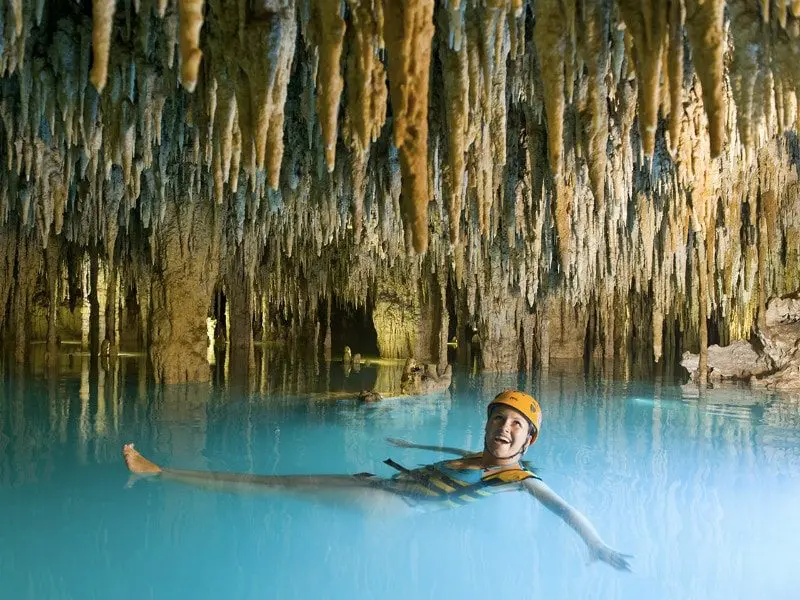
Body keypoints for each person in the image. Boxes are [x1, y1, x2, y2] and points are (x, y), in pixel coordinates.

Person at [122, 390, 631, 571]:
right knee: (277, 482)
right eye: (499, 419)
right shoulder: (479, 454)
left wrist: (598, 545)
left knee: (271, 484)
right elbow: (453, 454)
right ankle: (168, 473)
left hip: (392, 506)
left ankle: (163, 473)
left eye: (515, 425)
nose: (504, 428)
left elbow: (561, 507)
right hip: (383, 486)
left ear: (528, 442)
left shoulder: (518, 478)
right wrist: (414, 450)